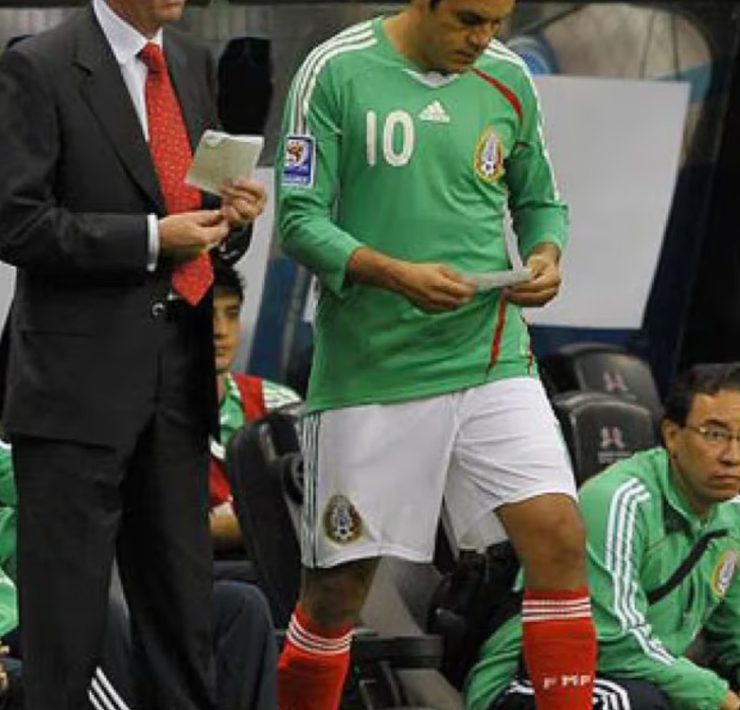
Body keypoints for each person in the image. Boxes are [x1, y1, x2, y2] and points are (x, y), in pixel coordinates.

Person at [275, 1, 596, 708]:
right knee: (337, 593)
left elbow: (542, 202)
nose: (484, 39)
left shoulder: (508, 77)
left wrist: (545, 254)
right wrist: (395, 274)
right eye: (468, 20)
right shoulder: (335, 70)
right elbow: (299, 221)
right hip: (371, 374)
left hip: (490, 359)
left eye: (498, 22)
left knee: (560, 538)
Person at [0, 0, 266, 707]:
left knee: (184, 622)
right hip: (74, 392)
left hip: (178, 385)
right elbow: (18, 223)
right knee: (67, 633)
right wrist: (151, 238)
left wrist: (228, 221)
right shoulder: (40, 66)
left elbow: (196, 216)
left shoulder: (190, 63)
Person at [466, 362, 740, 710]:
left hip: (644, 676)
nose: (732, 456)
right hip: (536, 680)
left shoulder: (732, 515)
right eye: (715, 435)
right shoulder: (621, 500)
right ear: (672, 435)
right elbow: (613, 640)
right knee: (634, 703)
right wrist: (720, 698)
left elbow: (735, 634)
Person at [208, 259, 302, 551]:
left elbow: (311, 511)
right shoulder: (153, 415)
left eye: (232, 314)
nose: (221, 331)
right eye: (207, 316)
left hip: (277, 565)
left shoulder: (280, 407)